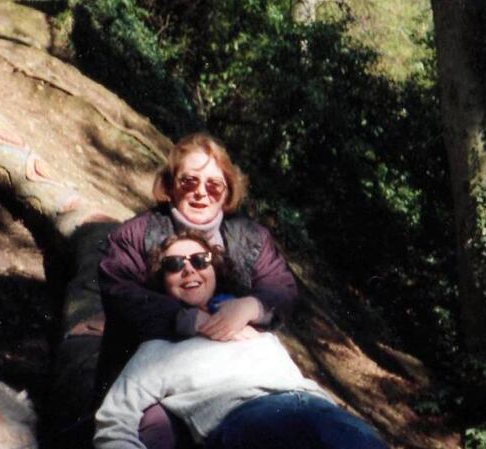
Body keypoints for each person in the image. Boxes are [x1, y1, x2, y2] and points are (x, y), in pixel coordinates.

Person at [94, 232, 388, 449]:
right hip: (248, 422)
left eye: (200, 260)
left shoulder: (257, 333)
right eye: (173, 264)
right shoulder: (158, 350)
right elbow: (113, 420)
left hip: (323, 412)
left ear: (214, 271)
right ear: (162, 282)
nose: (189, 269)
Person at [97, 133, 298, 447]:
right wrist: (186, 319)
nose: (201, 193)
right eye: (189, 182)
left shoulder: (251, 237)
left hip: (226, 379)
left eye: (213, 185)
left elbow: (281, 288)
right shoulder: (135, 234)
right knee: (153, 428)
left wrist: (250, 307)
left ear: (227, 190)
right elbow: (119, 292)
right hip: (149, 376)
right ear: (170, 184)